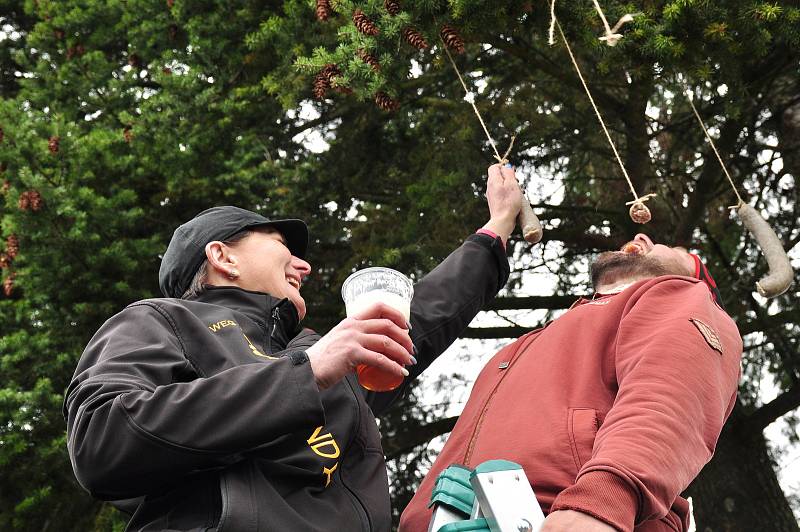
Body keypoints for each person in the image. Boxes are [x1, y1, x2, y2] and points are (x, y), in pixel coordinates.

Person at [63, 164, 523, 531]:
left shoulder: (317, 351)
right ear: (223, 257)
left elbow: (420, 318)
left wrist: (496, 228)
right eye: (282, 244)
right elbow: (101, 440)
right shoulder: (163, 321)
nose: (304, 265)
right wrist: (307, 374)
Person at [400, 234, 743, 532]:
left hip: (573, 517)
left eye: (671, 247)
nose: (641, 237)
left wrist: (602, 500)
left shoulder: (684, 298)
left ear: (694, 278)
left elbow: (667, 395)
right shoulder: (528, 343)